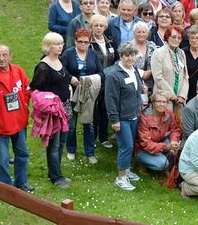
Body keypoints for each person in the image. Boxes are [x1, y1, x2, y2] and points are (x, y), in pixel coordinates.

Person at [30, 32, 78, 188]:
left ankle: (56, 173)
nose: (61, 46)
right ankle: (56, 178)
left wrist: (73, 80)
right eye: (57, 44)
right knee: (54, 144)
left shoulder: (58, 60)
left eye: (62, 43)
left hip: (65, 107)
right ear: (48, 46)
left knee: (62, 142)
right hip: (53, 112)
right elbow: (36, 91)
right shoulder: (43, 67)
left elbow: (65, 76)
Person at [0, 45, 34, 192]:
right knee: (2, 159)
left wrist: (25, 106)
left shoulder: (18, 71)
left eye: (4, 55)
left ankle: (22, 182)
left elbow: (27, 89)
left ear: (10, 56)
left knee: (22, 154)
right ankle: (6, 189)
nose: (1, 59)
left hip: (19, 122)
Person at [105, 42, 146, 191]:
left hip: (134, 115)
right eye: (127, 55)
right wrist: (114, 120)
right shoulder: (114, 75)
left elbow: (136, 89)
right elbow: (110, 100)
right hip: (122, 118)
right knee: (126, 146)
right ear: (121, 56)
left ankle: (127, 169)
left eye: (133, 55)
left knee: (130, 145)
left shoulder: (134, 70)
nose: (130, 58)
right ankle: (120, 177)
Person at [61, 29, 104, 164]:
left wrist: (91, 79)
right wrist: (71, 78)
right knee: (72, 123)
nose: (83, 44)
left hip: (89, 92)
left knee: (89, 123)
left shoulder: (93, 54)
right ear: (75, 41)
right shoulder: (68, 54)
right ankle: (71, 150)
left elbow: (101, 73)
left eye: (86, 42)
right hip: (72, 92)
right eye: (80, 42)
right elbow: (61, 70)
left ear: (89, 42)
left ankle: (90, 153)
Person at [135, 90, 181, 173]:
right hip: (142, 148)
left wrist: (174, 141)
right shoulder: (144, 117)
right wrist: (166, 146)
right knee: (162, 163)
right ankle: (142, 162)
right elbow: (146, 144)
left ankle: (165, 168)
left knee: (175, 144)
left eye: (164, 102)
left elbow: (174, 130)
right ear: (153, 102)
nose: (162, 104)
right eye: (159, 101)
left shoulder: (168, 113)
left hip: (159, 142)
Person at [89, 14, 117, 149]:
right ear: (92, 27)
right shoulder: (89, 43)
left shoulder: (109, 41)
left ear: (105, 27)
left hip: (109, 80)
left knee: (105, 108)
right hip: (94, 80)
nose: (99, 28)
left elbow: (116, 58)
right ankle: (92, 138)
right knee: (94, 110)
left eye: (101, 25)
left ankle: (104, 137)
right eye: (96, 25)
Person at [151, 26, 189, 114]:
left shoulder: (181, 53)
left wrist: (182, 95)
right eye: (174, 37)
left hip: (179, 99)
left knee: (178, 126)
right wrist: (172, 95)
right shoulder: (158, 52)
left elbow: (185, 76)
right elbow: (158, 77)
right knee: (164, 125)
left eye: (179, 38)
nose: (177, 40)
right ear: (167, 37)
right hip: (163, 97)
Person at [131, 22, 156, 91]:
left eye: (144, 32)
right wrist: (141, 73)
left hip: (151, 84)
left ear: (147, 34)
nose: (141, 34)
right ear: (134, 33)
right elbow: (125, 64)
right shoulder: (128, 47)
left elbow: (158, 62)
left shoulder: (152, 46)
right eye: (139, 32)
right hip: (133, 83)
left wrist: (150, 71)